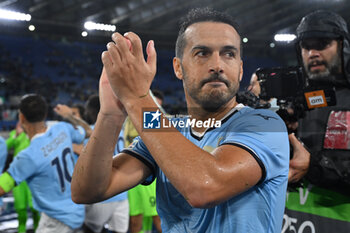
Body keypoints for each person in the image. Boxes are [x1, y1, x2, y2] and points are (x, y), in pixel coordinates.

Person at [71, 8, 289, 233]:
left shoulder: (266, 124)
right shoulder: (167, 132)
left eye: (229, 54)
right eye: (202, 53)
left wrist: (137, 98)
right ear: (178, 67)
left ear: (241, 69)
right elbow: (85, 191)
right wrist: (110, 115)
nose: (217, 65)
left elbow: (205, 187)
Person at [285, 10, 350, 232]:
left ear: (344, 47)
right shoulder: (304, 101)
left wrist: (312, 167)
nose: (312, 53)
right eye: (306, 46)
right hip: (295, 220)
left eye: (322, 44)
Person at [0, 94, 91, 233]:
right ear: (45, 113)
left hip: (57, 221)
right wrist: (69, 116)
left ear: (21, 117)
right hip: (78, 211)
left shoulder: (28, 156)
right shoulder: (62, 128)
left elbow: (2, 186)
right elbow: (88, 131)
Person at [77, 94, 129, 233]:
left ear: (92, 112)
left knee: (89, 228)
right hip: (122, 192)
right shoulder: (120, 129)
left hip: (102, 192)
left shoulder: (90, 132)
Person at [124, 90, 163, 233]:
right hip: (130, 174)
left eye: (159, 107)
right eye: (154, 105)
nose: (156, 110)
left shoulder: (156, 121)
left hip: (148, 175)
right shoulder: (130, 116)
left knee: (157, 219)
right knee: (136, 221)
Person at [5, 121, 40, 233]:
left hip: (33, 176)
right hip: (18, 176)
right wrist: (16, 135)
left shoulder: (35, 134)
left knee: (35, 208)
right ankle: (21, 230)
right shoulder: (14, 134)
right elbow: (6, 146)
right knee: (20, 208)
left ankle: (38, 230)